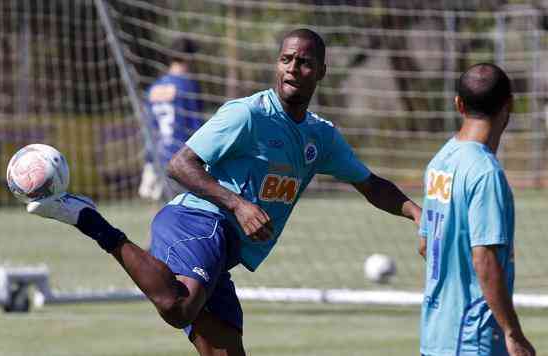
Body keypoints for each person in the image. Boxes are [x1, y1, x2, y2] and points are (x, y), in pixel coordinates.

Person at [26, 28, 422, 356]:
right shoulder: (247, 113)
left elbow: (371, 184)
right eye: (286, 59)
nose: (292, 68)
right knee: (179, 306)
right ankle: (90, 221)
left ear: (321, 71)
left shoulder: (322, 136)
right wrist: (239, 205)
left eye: (303, 62)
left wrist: (417, 214)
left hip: (224, 250)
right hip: (197, 220)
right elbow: (180, 164)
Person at [418, 63, 535, 356]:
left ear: (458, 104)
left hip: (435, 335)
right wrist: (513, 333)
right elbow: (484, 259)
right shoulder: (485, 173)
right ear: (509, 105)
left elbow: (425, 244)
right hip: (473, 339)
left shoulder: (439, 161)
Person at [139, 37, 203, 202]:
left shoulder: (154, 88)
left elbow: (149, 127)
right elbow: (196, 126)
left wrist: (149, 161)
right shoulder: (188, 86)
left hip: (159, 156)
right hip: (183, 157)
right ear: (188, 57)